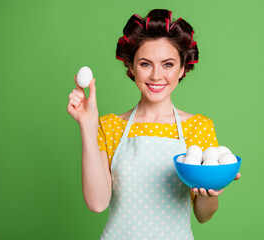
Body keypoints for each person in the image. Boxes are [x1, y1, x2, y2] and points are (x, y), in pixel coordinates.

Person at [67, 9, 241, 239]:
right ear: (131, 67)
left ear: (182, 69)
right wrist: (88, 127)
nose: (156, 76)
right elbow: (97, 203)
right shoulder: (110, 126)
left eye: (167, 64)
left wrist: (210, 194)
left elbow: (203, 215)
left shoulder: (198, 127)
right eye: (145, 64)